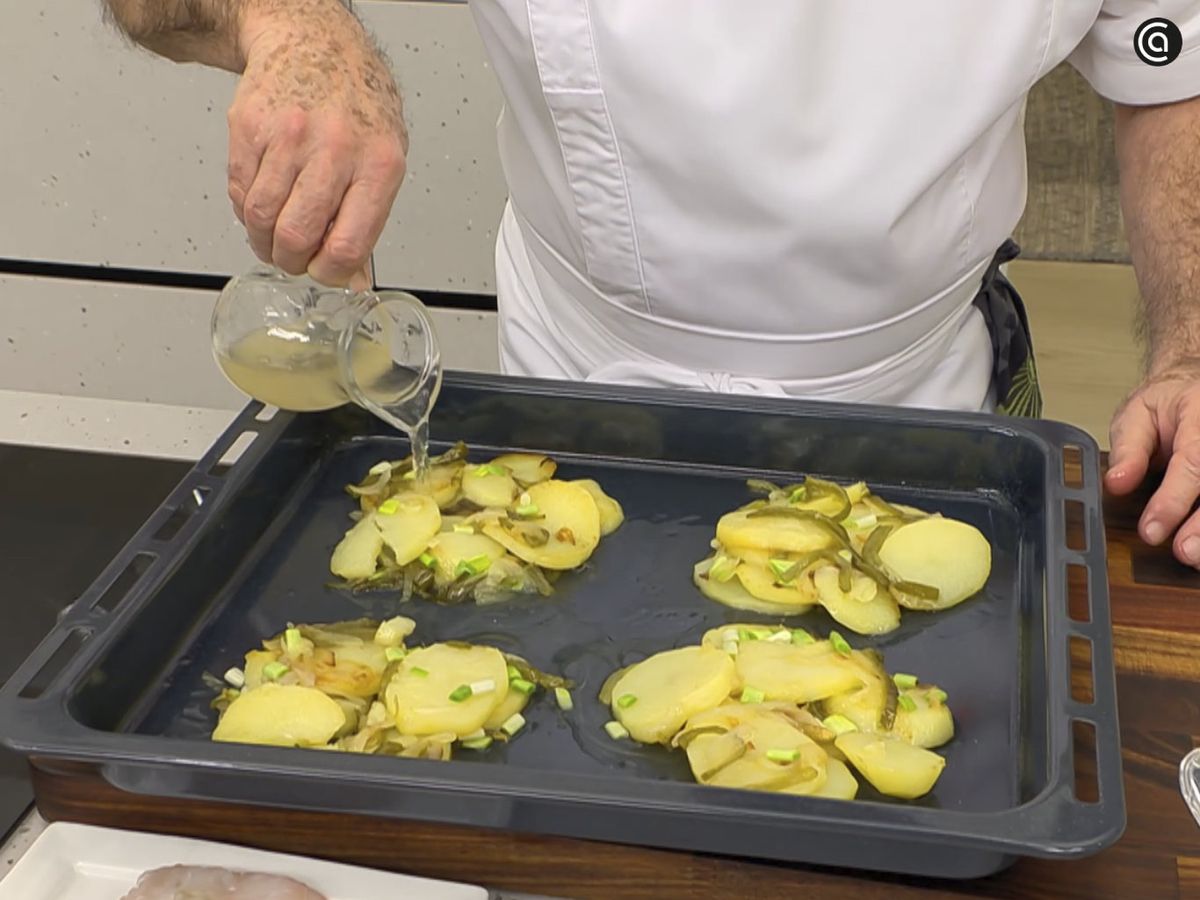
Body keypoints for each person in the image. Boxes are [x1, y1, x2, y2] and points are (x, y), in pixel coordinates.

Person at [102, 1, 1200, 568]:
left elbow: (1177, 73)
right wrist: (291, 22)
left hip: (926, 401)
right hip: (574, 391)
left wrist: (1191, 341)